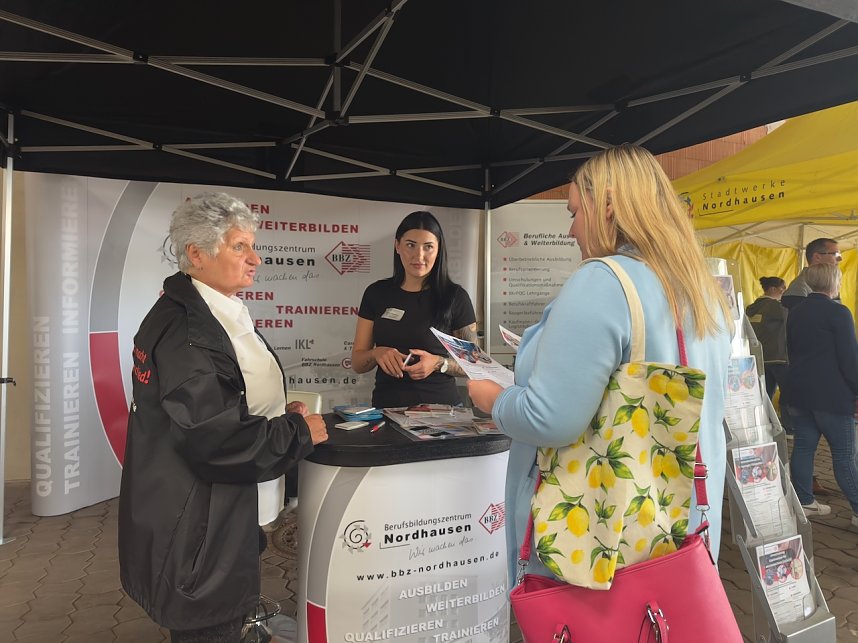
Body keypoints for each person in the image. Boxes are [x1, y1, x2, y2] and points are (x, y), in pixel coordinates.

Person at [468, 144, 733, 584]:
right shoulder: (701, 288)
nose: (572, 229)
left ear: (607, 204)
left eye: (574, 211)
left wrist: (495, 400)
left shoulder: (604, 280)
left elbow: (549, 420)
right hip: (680, 533)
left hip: (601, 543)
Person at [118, 193, 329, 641]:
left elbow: (219, 400)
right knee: (209, 627)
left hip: (216, 514)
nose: (255, 258)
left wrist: (275, 413)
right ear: (197, 253)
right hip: (198, 523)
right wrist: (294, 432)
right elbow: (217, 439)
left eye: (253, 245)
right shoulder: (189, 332)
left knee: (227, 613)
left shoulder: (207, 310)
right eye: (239, 247)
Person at [351, 210, 477, 408]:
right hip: (387, 410)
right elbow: (357, 363)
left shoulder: (455, 297)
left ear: (438, 250)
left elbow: (474, 363)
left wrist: (438, 363)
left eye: (428, 247)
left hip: (442, 415)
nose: (419, 255)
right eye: (411, 245)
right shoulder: (376, 293)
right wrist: (376, 354)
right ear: (397, 246)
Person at [783, 263, 858, 522]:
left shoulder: (796, 311)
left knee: (804, 447)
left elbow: (791, 350)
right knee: (844, 455)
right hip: (832, 395)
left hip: (798, 391)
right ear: (835, 282)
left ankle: (805, 501)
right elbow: (849, 358)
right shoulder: (839, 312)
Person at [781, 237, 840, 494]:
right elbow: (808, 340)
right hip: (816, 380)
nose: (838, 259)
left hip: (808, 378)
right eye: (835, 255)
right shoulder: (799, 292)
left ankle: (805, 490)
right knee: (843, 447)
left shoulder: (807, 289)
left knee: (806, 442)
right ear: (818, 257)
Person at [745, 277, 789, 400]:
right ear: (772, 289)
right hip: (779, 357)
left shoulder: (751, 308)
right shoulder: (779, 307)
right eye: (783, 288)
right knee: (788, 395)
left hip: (759, 358)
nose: (785, 291)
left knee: (765, 396)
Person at [781, 237, 841, 310]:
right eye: (835, 254)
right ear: (817, 257)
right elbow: (799, 319)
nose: (840, 259)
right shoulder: (799, 287)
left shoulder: (829, 283)